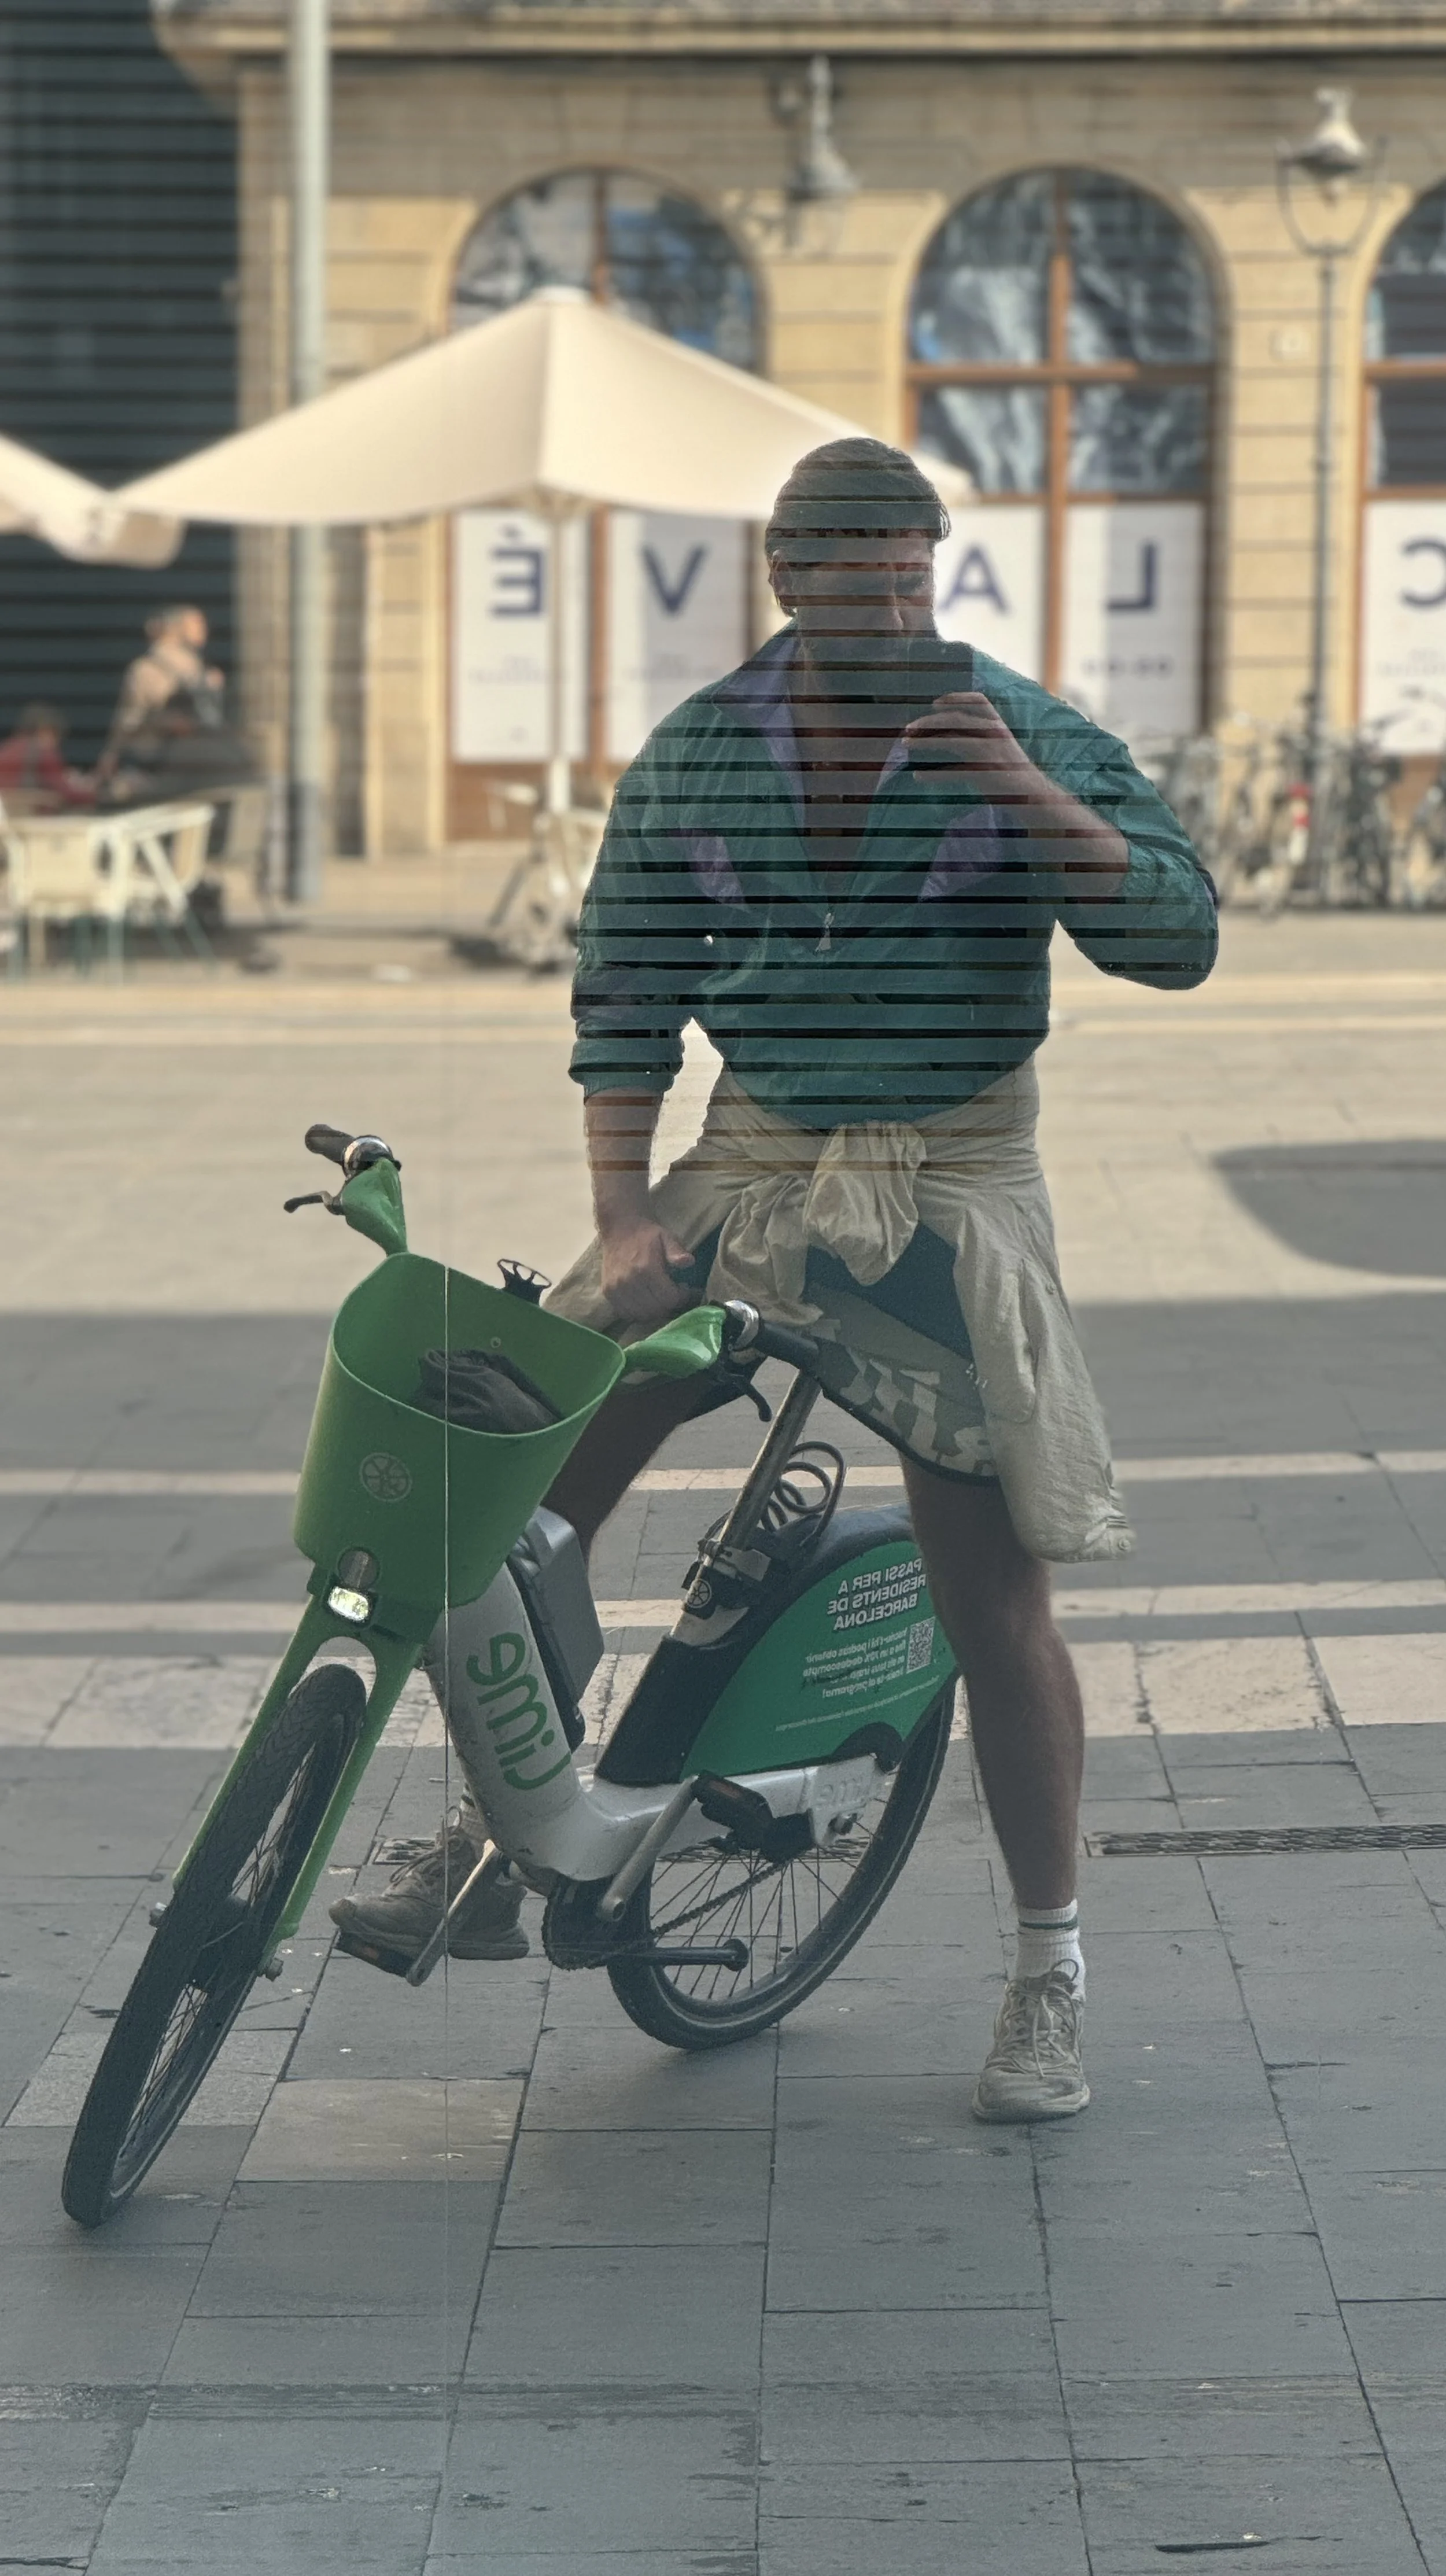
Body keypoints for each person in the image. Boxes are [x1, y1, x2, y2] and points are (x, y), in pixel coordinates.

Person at [332, 437, 1217, 2123]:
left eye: (908, 574)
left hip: (950, 1183)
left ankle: (1047, 1964)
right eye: (847, 575)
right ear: (784, 578)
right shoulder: (698, 756)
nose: (882, 605)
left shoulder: (1022, 729)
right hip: (747, 1165)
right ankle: (490, 1835)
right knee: (519, 1487)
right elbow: (626, 991)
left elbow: (1177, 936)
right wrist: (619, 1212)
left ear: (936, 571)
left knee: (994, 1600)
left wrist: (1030, 802)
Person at [95, 605, 223, 787]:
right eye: (197, 622)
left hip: (164, 762)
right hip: (189, 761)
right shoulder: (202, 672)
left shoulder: (145, 668)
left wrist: (111, 754)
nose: (204, 628)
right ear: (175, 627)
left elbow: (127, 720)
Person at [109, 687, 260, 810]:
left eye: (167, 716)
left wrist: (133, 790)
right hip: (234, 822)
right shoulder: (229, 741)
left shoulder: (189, 748)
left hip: (209, 828)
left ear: (179, 718)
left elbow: (164, 795)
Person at [0, 703, 93, 809]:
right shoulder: (44, 753)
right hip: (30, 813)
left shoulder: (7, 748)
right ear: (45, 730)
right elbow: (69, 794)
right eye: (56, 735)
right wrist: (92, 791)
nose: (57, 743)